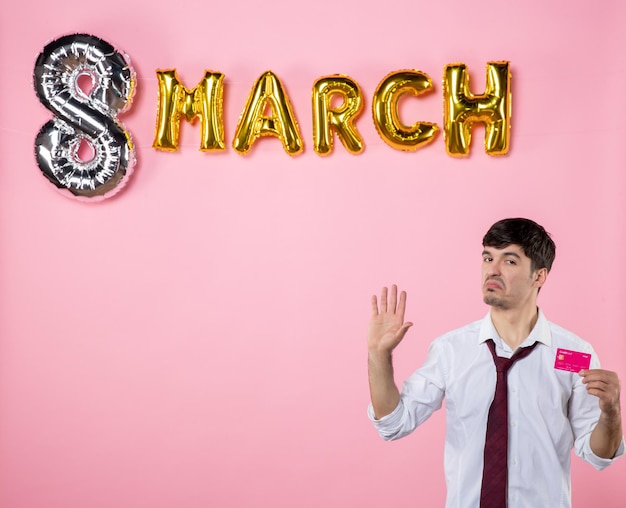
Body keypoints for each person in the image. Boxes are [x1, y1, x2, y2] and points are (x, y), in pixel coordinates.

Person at [367, 218, 623, 508]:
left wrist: (611, 411)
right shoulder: (451, 350)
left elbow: (599, 454)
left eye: (510, 261)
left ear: (539, 276)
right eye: (488, 257)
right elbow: (394, 423)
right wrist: (378, 355)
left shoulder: (573, 354)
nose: (493, 269)